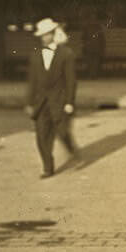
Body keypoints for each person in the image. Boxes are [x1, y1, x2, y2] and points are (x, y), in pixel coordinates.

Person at [25, 17, 78, 178]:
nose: (44, 38)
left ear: (53, 34)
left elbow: (71, 80)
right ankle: (48, 168)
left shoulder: (66, 54)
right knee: (41, 136)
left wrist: (69, 102)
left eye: (46, 34)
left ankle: (70, 147)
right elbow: (32, 81)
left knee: (62, 132)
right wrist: (28, 102)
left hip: (59, 100)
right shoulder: (35, 56)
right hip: (41, 103)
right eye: (41, 35)